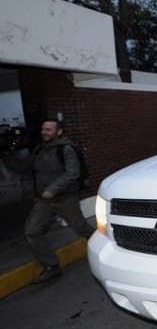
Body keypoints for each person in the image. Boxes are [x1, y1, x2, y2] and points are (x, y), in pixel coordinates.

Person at [1, 120, 95, 283]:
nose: (44, 132)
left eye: (48, 129)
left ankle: (104, 250)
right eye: (43, 129)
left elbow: (72, 173)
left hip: (65, 198)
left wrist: (52, 189)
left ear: (58, 132)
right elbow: (22, 167)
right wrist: (7, 155)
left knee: (81, 228)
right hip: (44, 200)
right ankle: (52, 266)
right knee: (32, 232)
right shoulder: (39, 149)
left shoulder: (66, 149)